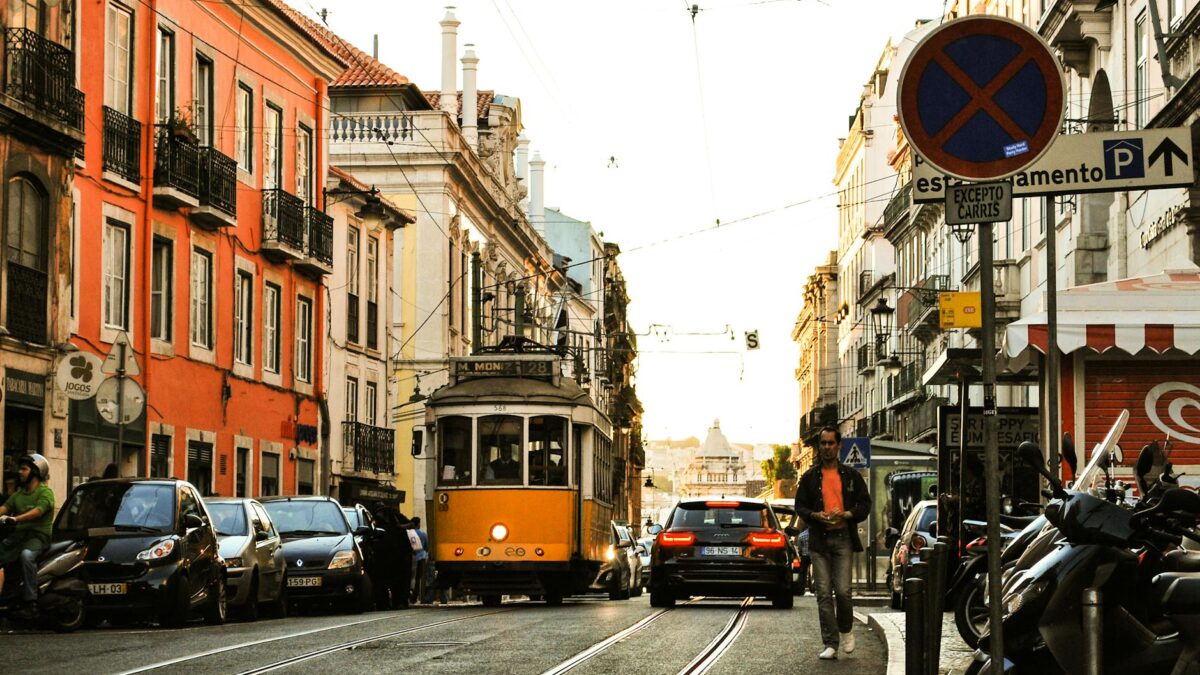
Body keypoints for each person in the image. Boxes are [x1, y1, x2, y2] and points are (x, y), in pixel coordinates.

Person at [794, 427, 871, 660]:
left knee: (844, 592)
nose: (827, 447)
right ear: (819, 446)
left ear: (838, 446)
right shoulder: (809, 477)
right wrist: (816, 515)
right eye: (823, 443)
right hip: (819, 541)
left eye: (831, 443)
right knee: (824, 593)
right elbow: (800, 507)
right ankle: (830, 643)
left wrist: (848, 514)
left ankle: (846, 630)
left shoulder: (850, 476)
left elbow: (864, 504)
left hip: (842, 539)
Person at [0, 454, 56, 619]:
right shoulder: (19, 494)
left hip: (38, 537)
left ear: (36, 472)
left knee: (26, 556)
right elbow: (5, 507)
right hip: (19, 537)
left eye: (24, 469)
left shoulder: (45, 493)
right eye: (20, 469)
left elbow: (38, 511)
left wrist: (15, 518)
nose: (20, 472)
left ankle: (31, 601)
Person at [410, 517, 430, 603]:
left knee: (412, 577)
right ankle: (418, 597)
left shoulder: (410, 534)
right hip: (421, 557)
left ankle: (411, 595)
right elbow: (426, 546)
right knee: (420, 578)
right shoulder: (423, 534)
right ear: (418, 524)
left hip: (411, 557)